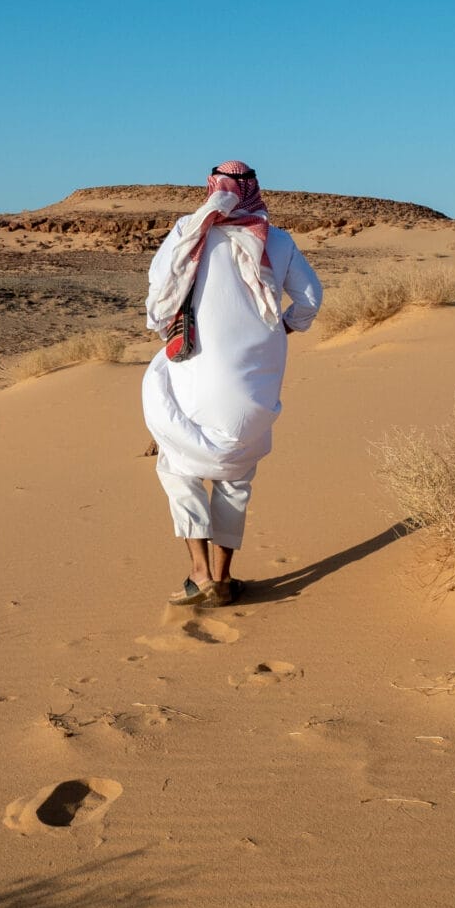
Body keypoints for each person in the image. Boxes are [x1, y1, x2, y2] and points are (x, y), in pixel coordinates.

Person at [142, 161, 323, 606]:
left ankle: (199, 574)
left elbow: (158, 290)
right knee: (237, 476)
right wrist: (282, 329)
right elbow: (310, 299)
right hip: (256, 379)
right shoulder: (276, 240)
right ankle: (223, 579)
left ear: (212, 188)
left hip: (195, 366)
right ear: (253, 190)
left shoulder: (190, 229)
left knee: (178, 467)